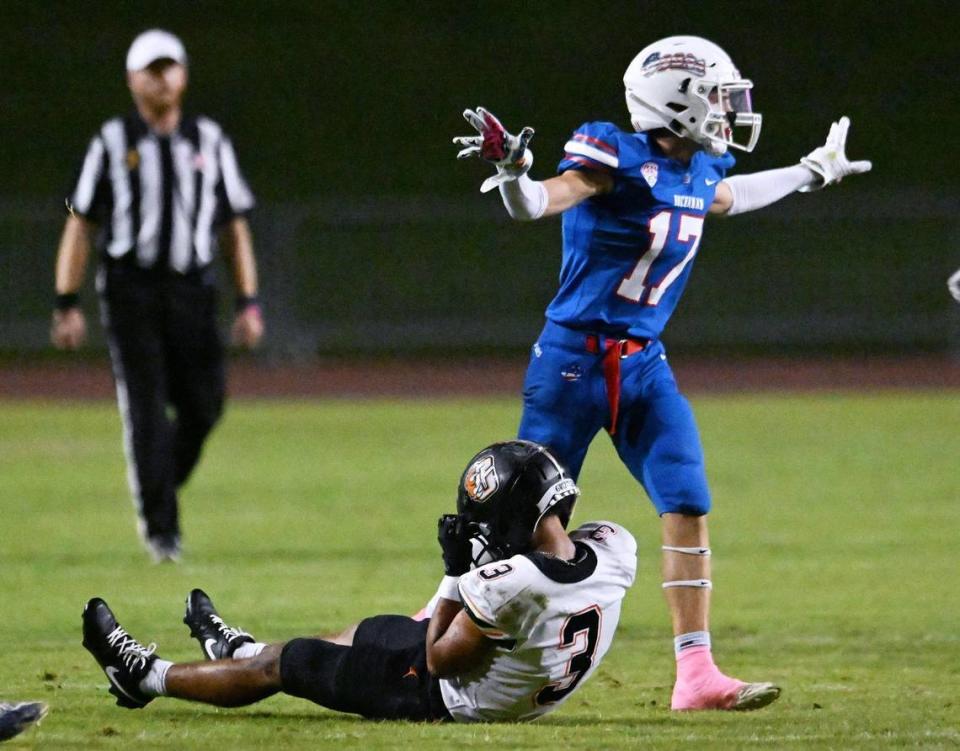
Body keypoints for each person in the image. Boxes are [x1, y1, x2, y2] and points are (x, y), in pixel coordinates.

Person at [453, 35, 871, 711]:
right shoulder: (613, 156)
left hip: (644, 365)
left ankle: (695, 671)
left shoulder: (699, 170)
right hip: (571, 363)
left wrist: (811, 170)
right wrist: (512, 174)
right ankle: (442, 636)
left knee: (687, 500)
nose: (729, 110)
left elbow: (732, 195)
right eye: (717, 96)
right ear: (676, 102)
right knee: (526, 523)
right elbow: (540, 202)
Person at [82, 440, 642, 722]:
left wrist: (455, 572)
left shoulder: (512, 582)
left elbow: (439, 655)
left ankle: (144, 677)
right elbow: (545, 562)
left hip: (439, 693)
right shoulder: (613, 549)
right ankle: (235, 650)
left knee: (287, 665)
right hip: (507, 672)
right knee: (362, 631)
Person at [50, 29, 264, 562]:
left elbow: (233, 227)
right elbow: (80, 224)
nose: (161, 78)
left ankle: (158, 481)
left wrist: (248, 302)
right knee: (144, 410)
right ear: (132, 79)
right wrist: (66, 301)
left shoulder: (209, 141)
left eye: (169, 67)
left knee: (205, 403)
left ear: (184, 75)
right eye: (151, 69)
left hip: (193, 289)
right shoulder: (110, 142)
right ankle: (162, 531)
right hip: (131, 291)